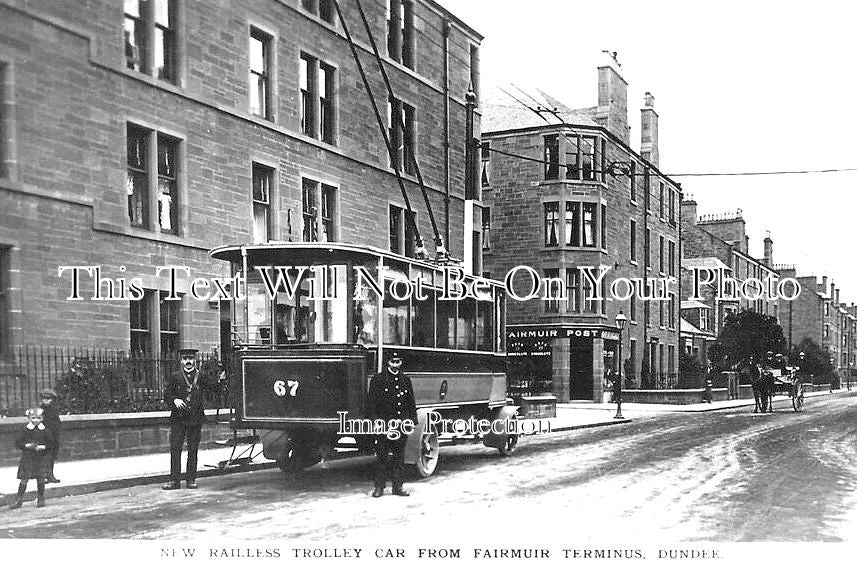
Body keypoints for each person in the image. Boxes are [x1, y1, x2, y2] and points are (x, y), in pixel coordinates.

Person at [162, 346, 214, 490]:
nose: (188, 362)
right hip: (178, 419)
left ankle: (191, 479)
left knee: (193, 449)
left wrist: (219, 379)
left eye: (190, 359)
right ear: (181, 361)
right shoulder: (175, 376)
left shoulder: (201, 376)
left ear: (195, 360)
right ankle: (174, 481)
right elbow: (166, 394)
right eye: (185, 359)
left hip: (195, 418)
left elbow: (213, 388)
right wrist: (174, 400)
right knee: (175, 449)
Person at [367, 352, 417, 498]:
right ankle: (379, 487)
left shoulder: (405, 379)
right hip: (384, 423)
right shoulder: (378, 379)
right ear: (388, 362)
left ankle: (398, 486)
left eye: (398, 361)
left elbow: (410, 401)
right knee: (382, 456)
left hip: (400, 424)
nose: (395, 364)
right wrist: (375, 421)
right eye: (393, 362)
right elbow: (372, 403)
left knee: (399, 457)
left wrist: (412, 420)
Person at [10, 407, 55, 509]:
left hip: (40, 457)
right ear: (29, 418)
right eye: (33, 418)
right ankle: (19, 500)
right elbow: (18, 443)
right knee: (24, 479)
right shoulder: (25, 430)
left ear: (42, 418)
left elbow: (52, 444)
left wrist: (43, 447)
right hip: (28, 458)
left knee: (41, 478)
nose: (35, 420)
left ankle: (41, 498)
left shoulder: (45, 430)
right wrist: (26, 445)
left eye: (38, 418)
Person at [39, 389, 61, 484]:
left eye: (48, 399)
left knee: (51, 457)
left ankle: (50, 475)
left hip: (54, 436)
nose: (46, 401)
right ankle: (43, 476)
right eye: (44, 398)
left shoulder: (54, 409)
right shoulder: (40, 411)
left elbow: (57, 423)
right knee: (44, 457)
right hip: (44, 436)